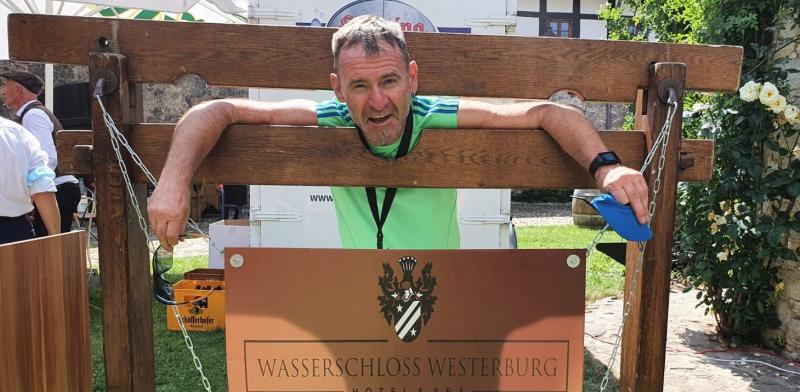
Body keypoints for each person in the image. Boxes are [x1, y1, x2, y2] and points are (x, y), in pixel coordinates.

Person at [148, 15, 648, 251]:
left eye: (389, 81)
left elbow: (546, 113)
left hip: (441, 290)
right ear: (337, 89)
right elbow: (216, 110)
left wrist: (606, 167)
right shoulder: (331, 117)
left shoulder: (436, 114)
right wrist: (173, 180)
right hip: (360, 294)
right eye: (359, 86)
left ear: (412, 78)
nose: (377, 102)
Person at [0, 70, 81, 235]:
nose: (2, 92)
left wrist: (30, 193)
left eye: (5, 86)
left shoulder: (32, 116)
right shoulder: (34, 114)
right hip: (57, 189)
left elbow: (48, 158)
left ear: (18, 90)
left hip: (57, 189)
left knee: (50, 245)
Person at [0, 117, 60, 245]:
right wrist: (55, 238)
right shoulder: (20, 134)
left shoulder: (19, 133)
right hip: (15, 231)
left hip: (15, 229)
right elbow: (42, 188)